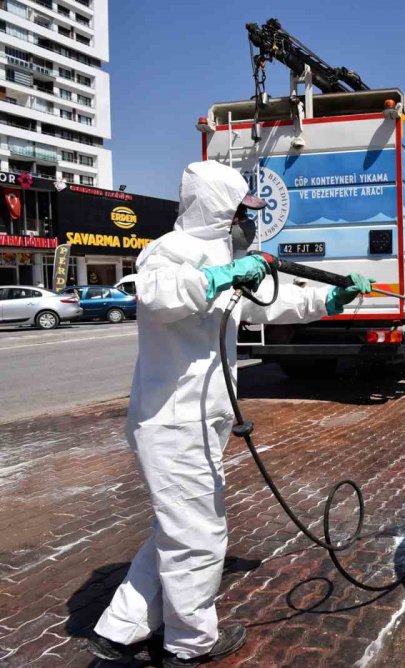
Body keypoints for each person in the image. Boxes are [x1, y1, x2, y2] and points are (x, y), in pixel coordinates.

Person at [87, 161, 371, 667]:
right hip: (171, 422)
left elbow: (269, 303)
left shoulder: (225, 256)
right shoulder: (168, 252)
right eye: (244, 211)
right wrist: (219, 276)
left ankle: (122, 628)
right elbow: (155, 297)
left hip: (203, 421)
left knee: (176, 529)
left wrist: (330, 299)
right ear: (221, 209)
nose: (249, 222)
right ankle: (190, 644)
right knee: (198, 536)